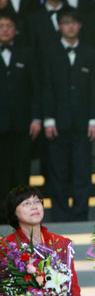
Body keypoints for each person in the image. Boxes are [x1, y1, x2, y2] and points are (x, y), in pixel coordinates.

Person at [1, 185, 83, 296]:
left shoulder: (60, 243)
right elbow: (4, 295)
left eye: (37, 201)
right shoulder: (6, 248)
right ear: (14, 212)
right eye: (26, 203)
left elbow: (73, 289)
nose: (34, 206)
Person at [41, 7, 95, 222]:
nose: (70, 26)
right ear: (59, 26)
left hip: (84, 122)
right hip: (57, 121)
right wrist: (48, 118)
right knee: (58, 170)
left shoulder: (90, 52)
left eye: (74, 22)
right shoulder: (50, 52)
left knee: (82, 170)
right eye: (66, 22)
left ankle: (80, 213)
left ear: (80, 26)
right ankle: (61, 214)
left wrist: (94, 118)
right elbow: (45, 87)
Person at [0, 11, 41, 211]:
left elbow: (35, 89)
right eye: (1, 26)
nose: (5, 29)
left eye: (8, 26)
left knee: (21, 172)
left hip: (23, 123)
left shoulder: (27, 53)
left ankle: (22, 216)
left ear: (15, 30)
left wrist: (36, 118)